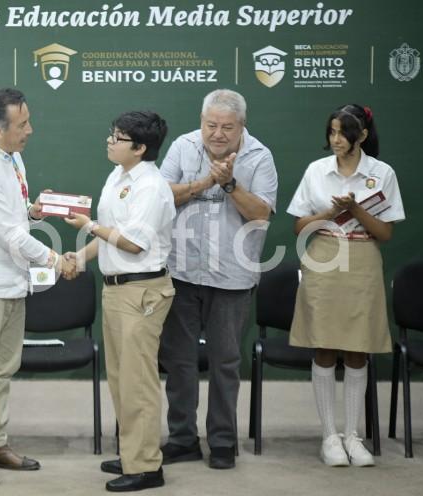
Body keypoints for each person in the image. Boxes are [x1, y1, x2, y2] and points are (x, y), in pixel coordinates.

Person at [0, 87, 75, 486]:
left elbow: (11, 216)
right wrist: (57, 260)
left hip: (11, 281)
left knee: (3, 369)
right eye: (22, 124)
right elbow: (8, 235)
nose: (30, 130)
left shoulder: (11, 156)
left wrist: (32, 210)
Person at [157, 89, 278, 469]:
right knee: (179, 360)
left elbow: (261, 213)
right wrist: (205, 182)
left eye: (227, 127)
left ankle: (223, 441)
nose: (217, 134)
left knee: (225, 360)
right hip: (182, 270)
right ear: (201, 120)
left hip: (232, 276)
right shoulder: (182, 146)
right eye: (211, 125)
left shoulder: (259, 156)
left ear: (242, 125)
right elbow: (159, 197)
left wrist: (229, 184)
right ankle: (182, 438)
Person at [287, 104, 404, 467]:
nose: (335, 139)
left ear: (363, 136)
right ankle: (329, 437)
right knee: (324, 346)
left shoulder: (381, 173)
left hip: (363, 259)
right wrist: (329, 214)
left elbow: (384, 232)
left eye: (343, 133)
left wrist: (356, 210)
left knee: (357, 349)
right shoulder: (316, 171)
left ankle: (353, 436)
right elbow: (298, 227)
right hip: (324, 257)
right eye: (332, 132)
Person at [65, 110, 175, 492]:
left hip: (142, 291)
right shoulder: (118, 176)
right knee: (120, 380)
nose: (110, 142)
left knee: (138, 383)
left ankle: (147, 467)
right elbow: (114, 233)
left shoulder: (151, 186)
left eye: (118, 138)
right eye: (111, 135)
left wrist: (88, 226)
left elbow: (133, 242)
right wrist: (80, 256)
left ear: (141, 148)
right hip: (116, 288)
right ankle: (132, 452)